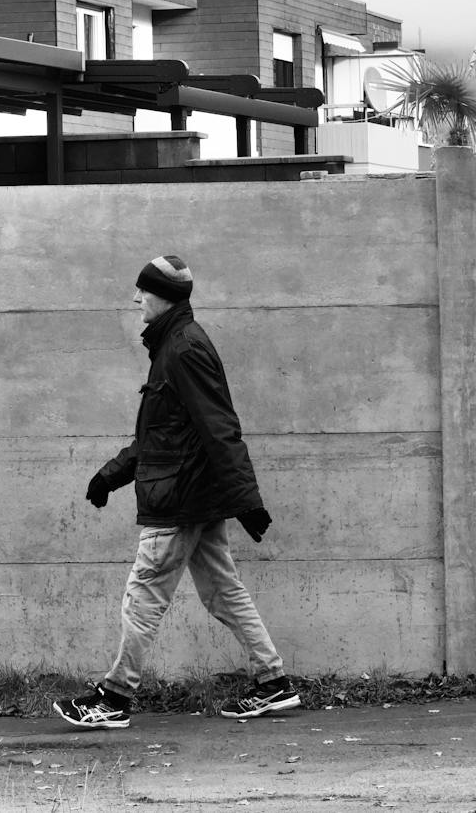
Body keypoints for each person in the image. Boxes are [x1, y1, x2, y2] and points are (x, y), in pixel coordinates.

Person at [53, 254, 300, 730]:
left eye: (141, 292)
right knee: (223, 591)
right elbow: (162, 434)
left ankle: (115, 697)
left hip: (179, 501)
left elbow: (219, 426)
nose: (134, 299)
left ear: (162, 297)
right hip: (193, 495)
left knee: (143, 595)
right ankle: (273, 683)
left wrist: (248, 499)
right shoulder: (172, 346)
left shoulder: (184, 349)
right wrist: (111, 475)